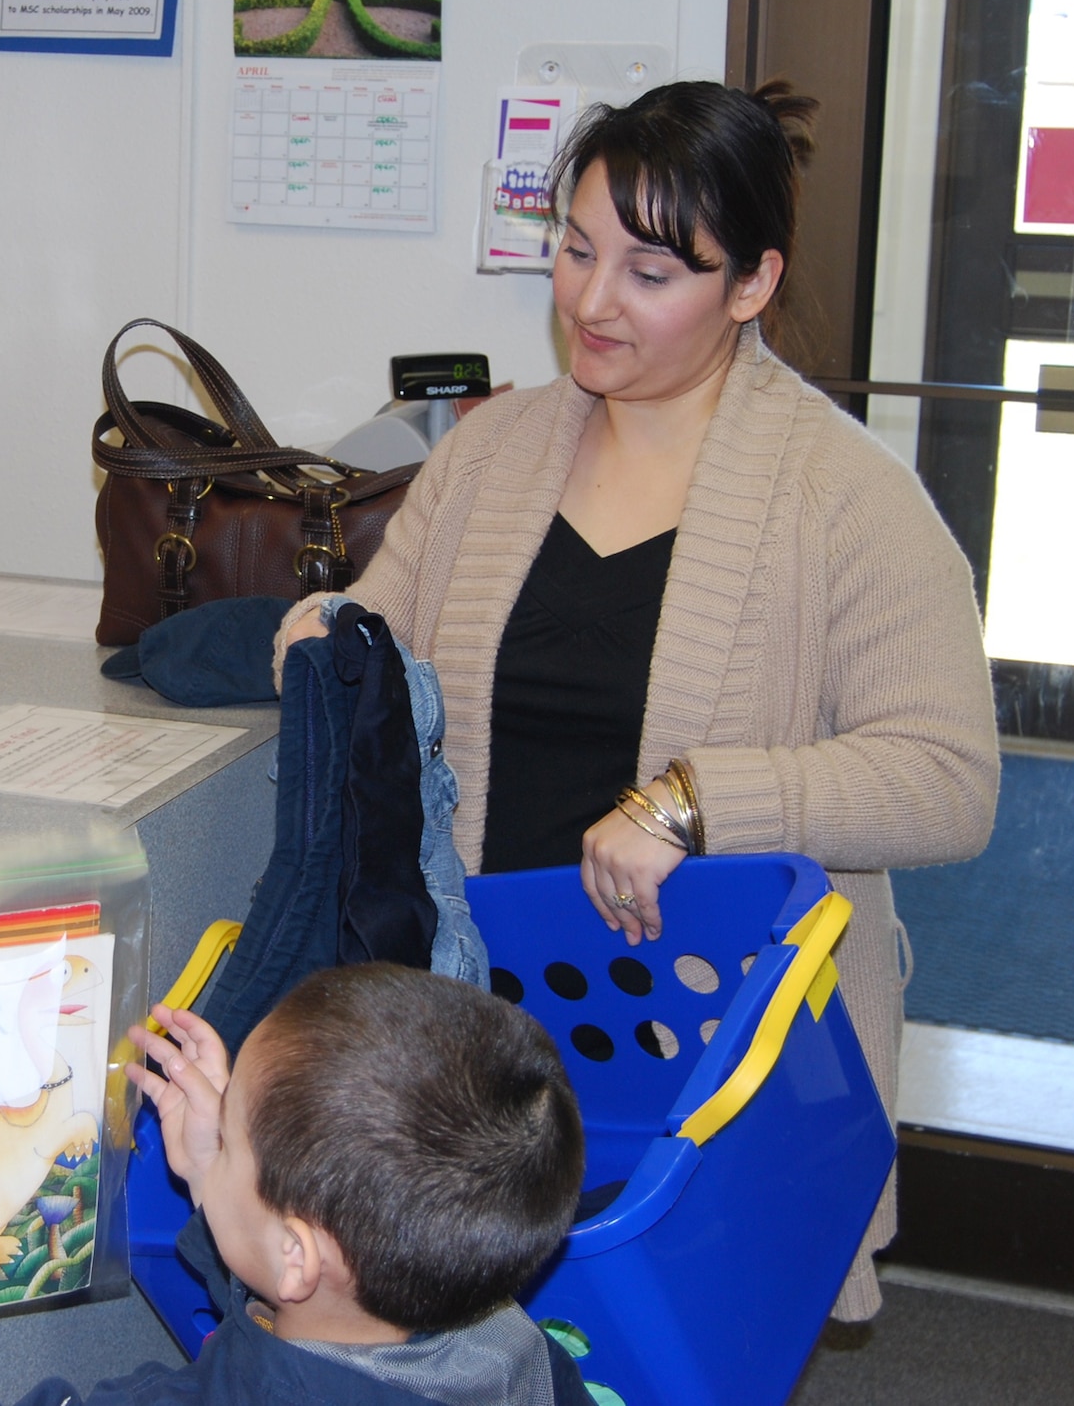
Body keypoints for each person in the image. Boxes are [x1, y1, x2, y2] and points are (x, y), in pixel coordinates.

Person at [280, 80, 999, 1319]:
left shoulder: (847, 499)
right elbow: (372, 620)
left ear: (752, 285)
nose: (591, 301)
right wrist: (317, 636)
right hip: (481, 1040)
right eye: (573, 249)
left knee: (658, 1353)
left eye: (650, 272)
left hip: (699, 1055)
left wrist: (693, 801)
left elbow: (947, 782)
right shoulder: (492, 454)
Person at [0, 963, 592, 1406]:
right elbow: (310, 1294)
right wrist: (219, 1177)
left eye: (229, 1132)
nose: (210, 1126)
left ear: (297, 1253)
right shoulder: (502, 1340)